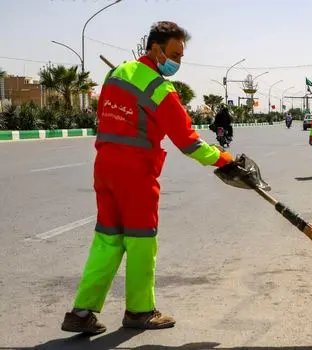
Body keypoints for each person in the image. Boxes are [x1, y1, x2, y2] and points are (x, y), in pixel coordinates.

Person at [61, 21, 234, 334]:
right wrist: (222, 158)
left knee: (107, 240)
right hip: (135, 174)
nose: (178, 62)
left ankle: (81, 312)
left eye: (181, 56)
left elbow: (107, 117)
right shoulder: (158, 88)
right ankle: (140, 311)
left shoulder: (115, 75)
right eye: (174, 54)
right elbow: (188, 142)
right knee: (141, 242)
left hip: (104, 168)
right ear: (156, 49)